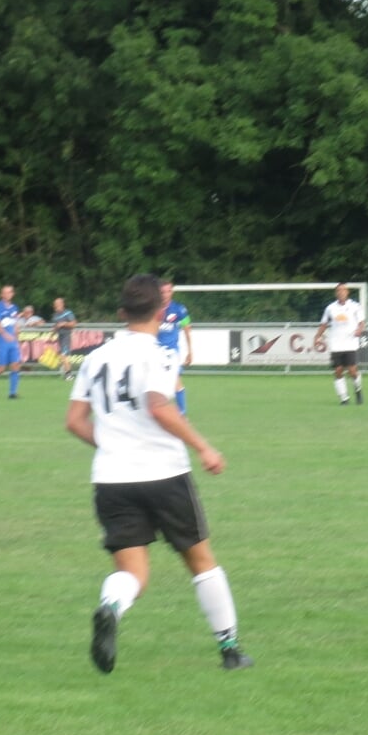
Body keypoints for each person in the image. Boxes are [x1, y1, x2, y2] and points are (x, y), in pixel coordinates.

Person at [67, 273, 253, 674]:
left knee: (132, 572)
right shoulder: (161, 354)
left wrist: (114, 444)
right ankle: (231, 650)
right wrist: (203, 446)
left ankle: (110, 607)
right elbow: (159, 405)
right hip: (164, 474)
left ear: (121, 313)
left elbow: (75, 422)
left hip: (111, 478)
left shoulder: (96, 356)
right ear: (161, 310)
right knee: (201, 561)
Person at [313, 282, 366, 405]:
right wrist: (317, 337)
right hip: (336, 344)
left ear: (347, 292)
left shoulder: (355, 306)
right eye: (338, 290)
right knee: (338, 371)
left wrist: (359, 330)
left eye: (343, 290)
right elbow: (324, 324)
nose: (341, 292)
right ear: (336, 293)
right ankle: (344, 398)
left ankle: (358, 389)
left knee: (352, 370)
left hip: (350, 343)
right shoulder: (330, 308)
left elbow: (362, 322)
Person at [157, 280, 193, 414]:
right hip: (153, 353)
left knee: (176, 382)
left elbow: (187, 329)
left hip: (172, 353)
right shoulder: (152, 309)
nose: (165, 295)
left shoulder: (179, 309)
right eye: (162, 292)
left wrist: (190, 352)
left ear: (172, 292)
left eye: (168, 291)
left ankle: (182, 414)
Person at [51, 297, 78, 381]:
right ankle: (68, 374)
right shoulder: (55, 315)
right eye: (55, 304)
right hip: (60, 337)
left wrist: (64, 324)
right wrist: (52, 334)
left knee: (63, 356)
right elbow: (56, 326)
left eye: (58, 304)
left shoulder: (68, 313)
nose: (56, 306)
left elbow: (74, 324)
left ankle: (69, 375)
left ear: (62, 304)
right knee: (64, 357)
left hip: (66, 336)